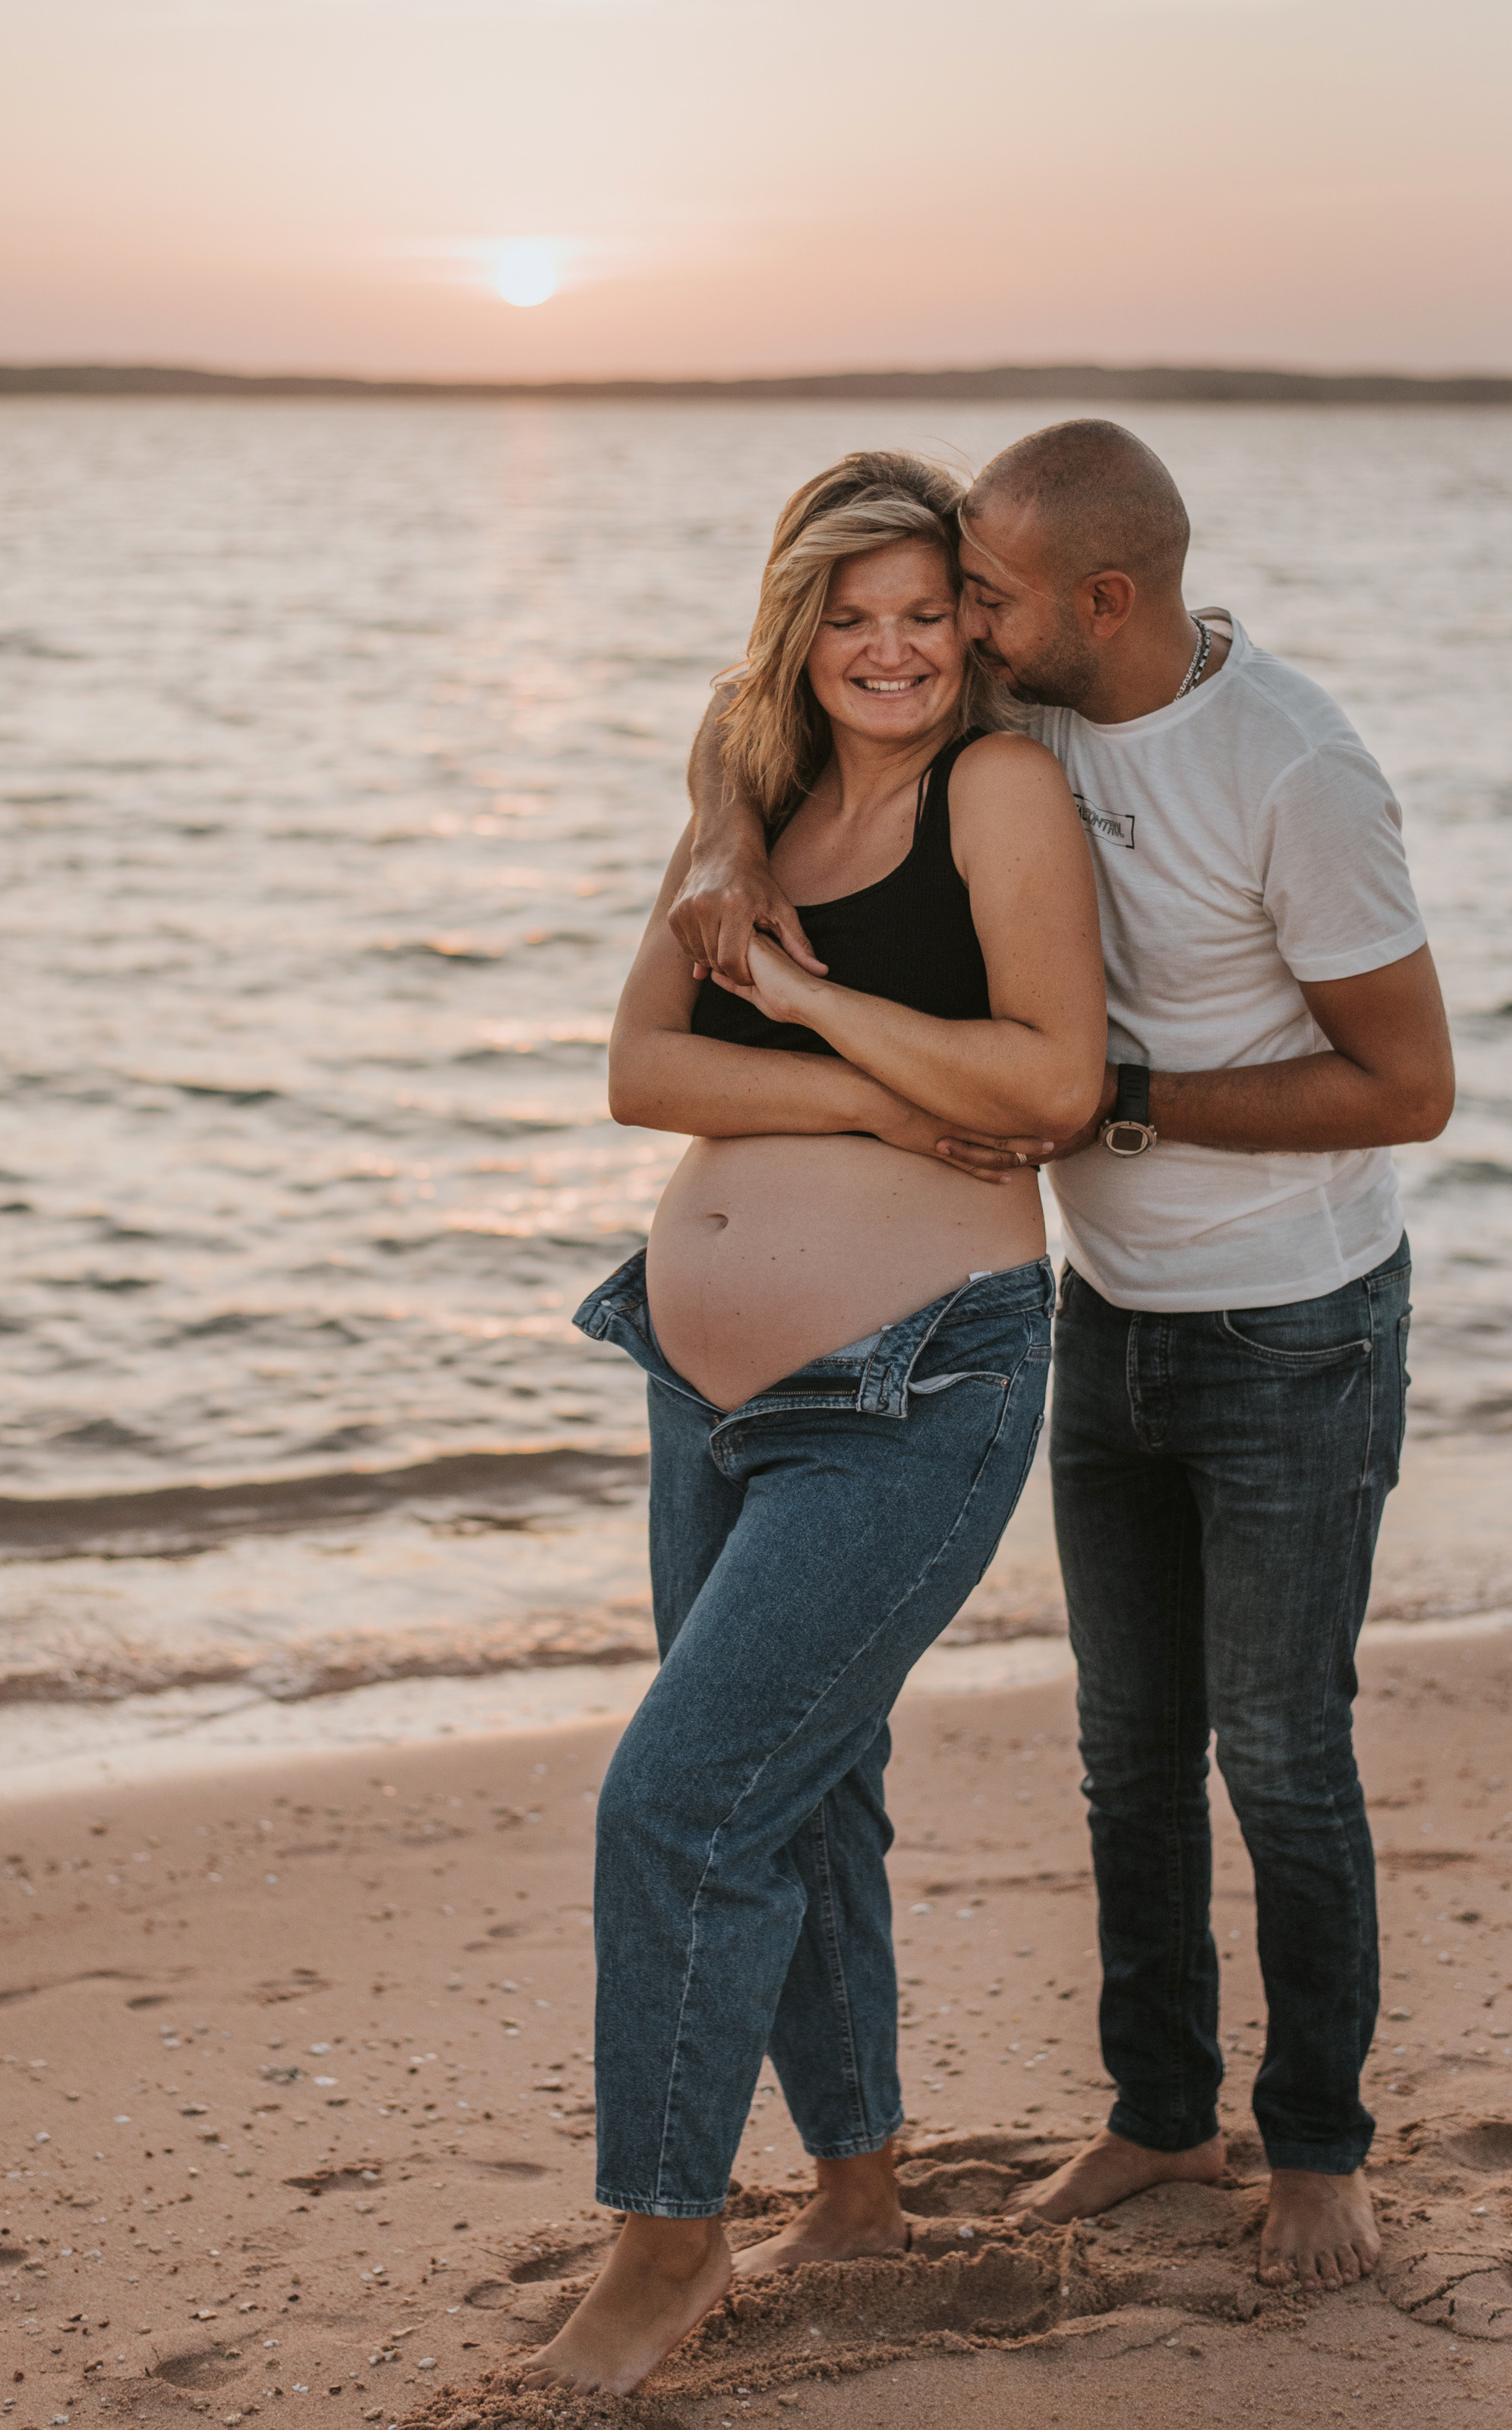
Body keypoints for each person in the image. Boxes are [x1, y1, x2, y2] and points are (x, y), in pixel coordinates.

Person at [672, 418, 1455, 2297]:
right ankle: (1163, 2108)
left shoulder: (1297, 767)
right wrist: (716, 828)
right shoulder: (1026, 726)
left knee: (1279, 1752)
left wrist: (1106, 1103)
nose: (961, 626)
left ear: (1100, 599)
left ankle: (1322, 2137)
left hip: (1295, 1328)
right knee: (1123, 1755)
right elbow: (770, 703)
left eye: (990, 596)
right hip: (1104, 1319)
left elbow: (1409, 1085)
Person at [522, 452, 1107, 2397]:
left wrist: (802, 1001)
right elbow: (640, 1064)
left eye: (926, 610)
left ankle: (667, 2239)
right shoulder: (757, 798)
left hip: (917, 1378)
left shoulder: (995, 792)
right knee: (803, 1784)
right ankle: (854, 2192)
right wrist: (851, 1076)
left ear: (973, 624)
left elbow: (1044, 1080)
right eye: (850, 615)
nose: (891, 647)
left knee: (676, 1800)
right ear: (799, 627)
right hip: (707, 1391)